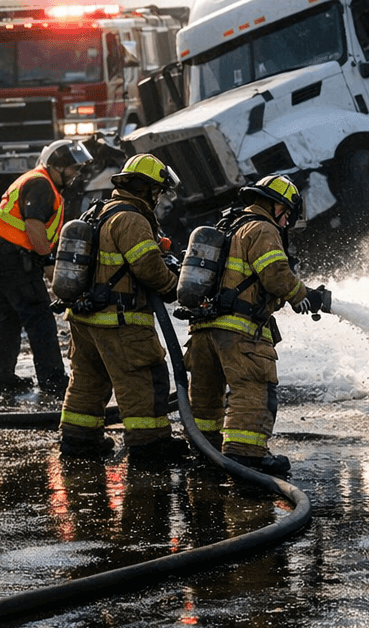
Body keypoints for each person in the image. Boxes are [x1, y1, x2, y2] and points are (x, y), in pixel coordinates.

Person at [183, 174, 326, 478]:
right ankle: (246, 457)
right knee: (253, 390)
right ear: (276, 206)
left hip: (203, 331)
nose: (286, 220)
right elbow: (275, 272)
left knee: (206, 398)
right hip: (240, 333)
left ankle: (205, 452)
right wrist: (300, 295)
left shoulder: (228, 227)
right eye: (286, 213)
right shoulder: (262, 229)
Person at [58, 154, 188, 464]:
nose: (158, 199)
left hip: (84, 319)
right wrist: (173, 287)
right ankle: (150, 444)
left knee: (88, 380)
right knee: (143, 379)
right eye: (157, 191)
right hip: (120, 320)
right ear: (145, 189)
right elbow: (147, 266)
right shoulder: (131, 218)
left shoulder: (99, 211)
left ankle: (78, 439)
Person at [0, 139, 92, 395]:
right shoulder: (42, 185)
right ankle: (53, 381)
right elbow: (34, 226)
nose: (76, 174)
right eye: (73, 169)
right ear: (57, 166)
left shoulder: (38, 181)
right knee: (40, 318)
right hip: (12, 259)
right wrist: (48, 262)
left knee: (9, 318)